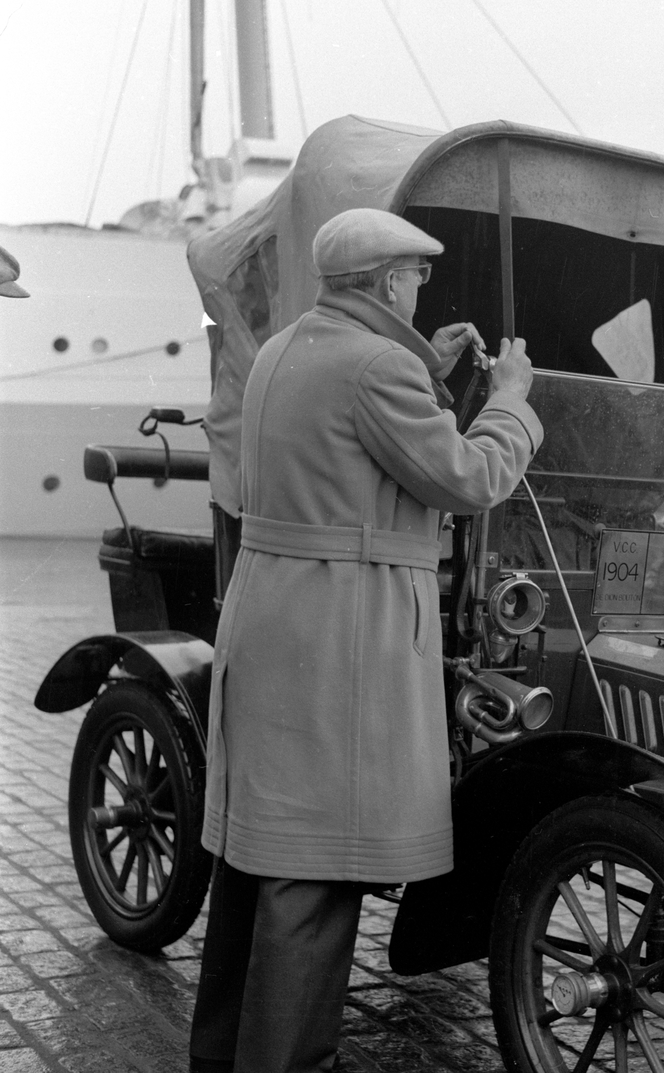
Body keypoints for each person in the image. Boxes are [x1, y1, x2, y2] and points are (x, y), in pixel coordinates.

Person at [188, 208, 543, 1073]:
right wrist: (512, 401)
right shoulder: (379, 364)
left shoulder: (286, 349)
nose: (421, 291)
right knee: (315, 879)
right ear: (388, 282)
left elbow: (358, 441)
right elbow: (468, 477)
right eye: (416, 278)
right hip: (343, 630)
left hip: (275, 616)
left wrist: (434, 368)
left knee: (256, 864)